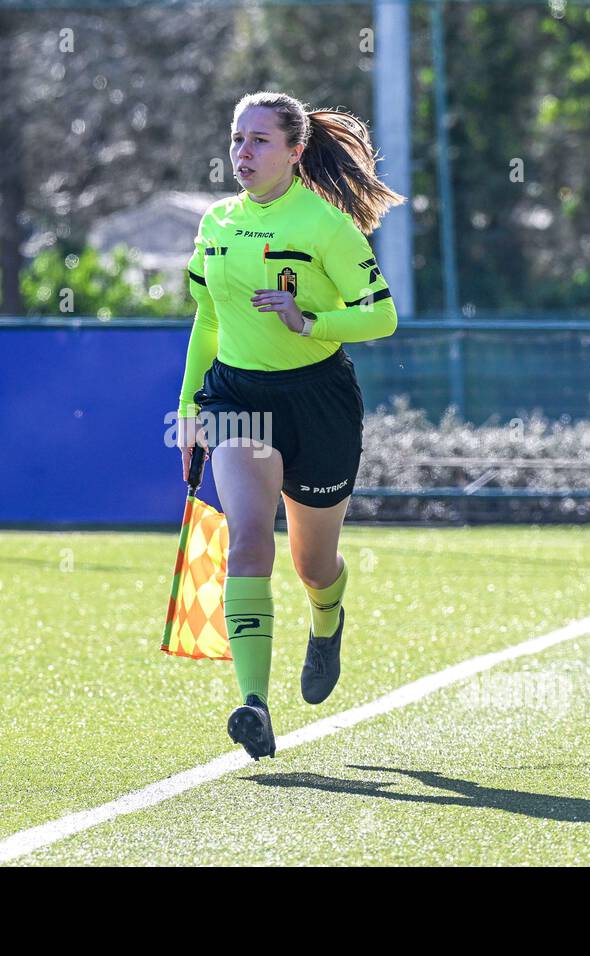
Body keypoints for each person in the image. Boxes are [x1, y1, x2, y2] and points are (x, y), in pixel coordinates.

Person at [175, 90, 404, 760]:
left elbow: (381, 317)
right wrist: (191, 404)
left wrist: (311, 322)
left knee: (313, 562)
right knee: (248, 540)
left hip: (319, 401)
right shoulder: (215, 223)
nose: (242, 154)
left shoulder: (328, 227)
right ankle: (254, 705)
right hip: (240, 398)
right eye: (236, 139)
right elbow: (209, 320)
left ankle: (326, 622)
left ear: (295, 151)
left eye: (259, 141)